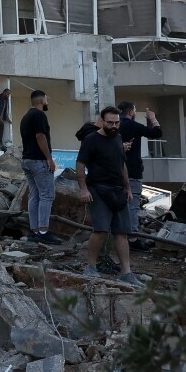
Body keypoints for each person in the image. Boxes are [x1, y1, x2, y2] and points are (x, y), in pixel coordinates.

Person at [76, 107, 140, 286]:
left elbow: (122, 165)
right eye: (110, 122)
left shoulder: (118, 138)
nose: (114, 126)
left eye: (117, 122)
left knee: (121, 232)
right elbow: (80, 165)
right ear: (102, 121)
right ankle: (91, 266)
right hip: (97, 189)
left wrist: (128, 189)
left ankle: (126, 272)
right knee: (101, 230)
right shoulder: (91, 140)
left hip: (118, 190)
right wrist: (83, 189)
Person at [17, 90, 63, 246]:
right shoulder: (39, 115)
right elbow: (40, 136)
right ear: (42, 100)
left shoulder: (26, 117)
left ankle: (34, 231)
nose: (47, 102)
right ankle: (43, 232)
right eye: (46, 99)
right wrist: (49, 158)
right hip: (38, 161)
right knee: (47, 194)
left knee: (35, 194)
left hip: (27, 160)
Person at [117, 102, 163, 246]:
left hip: (113, 170)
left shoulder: (112, 126)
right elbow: (157, 133)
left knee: (117, 204)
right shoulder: (132, 125)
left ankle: (118, 236)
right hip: (132, 171)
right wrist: (152, 118)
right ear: (131, 112)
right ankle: (132, 238)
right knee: (132, 204)